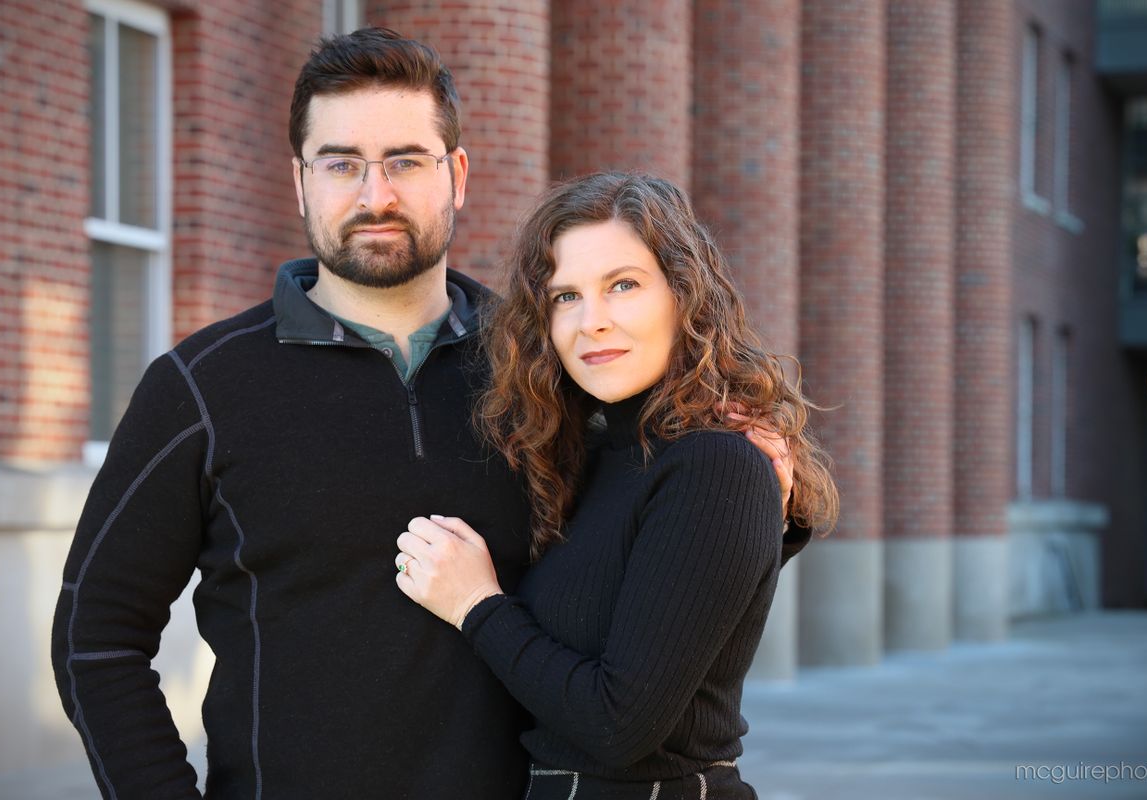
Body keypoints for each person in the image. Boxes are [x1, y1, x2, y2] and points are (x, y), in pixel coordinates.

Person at [52, 29, 801, 800]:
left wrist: (767, 483)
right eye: (341, 164)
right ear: (301, 183)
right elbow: (96, 640)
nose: (376, 195)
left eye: (407, 161)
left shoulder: (551, 370)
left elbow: (661, 538)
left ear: (458, 175)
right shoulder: (201, 387)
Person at [394, 172, 839, 798]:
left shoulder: (714, 463)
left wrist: (475, 605)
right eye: (565, 297)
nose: (591, 322)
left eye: (622, 286)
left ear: (683, 296)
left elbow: (616, 724)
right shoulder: (601, 454)